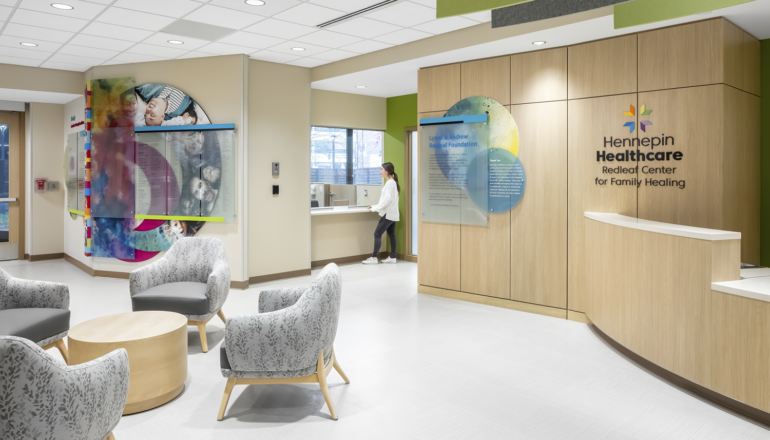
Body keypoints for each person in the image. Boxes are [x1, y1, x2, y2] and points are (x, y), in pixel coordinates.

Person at [363, 163, 400, 265]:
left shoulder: (390, 183)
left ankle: (374, 258)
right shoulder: (392, 182)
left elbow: (387, 200)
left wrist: (375, 208)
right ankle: (393, 257)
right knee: (392, 235)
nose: (380, 171)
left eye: (382, 169)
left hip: (388, 214)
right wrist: (375, 206)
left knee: (377, 234)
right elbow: (386, 199)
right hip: (392, 213)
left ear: (387, 171)